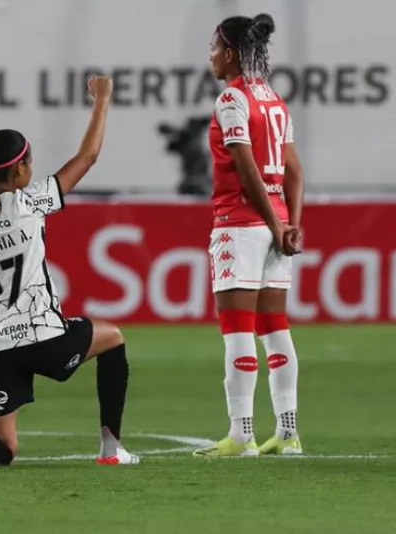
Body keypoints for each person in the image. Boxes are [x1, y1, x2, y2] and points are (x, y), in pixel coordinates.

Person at [0, 76, 138, 469]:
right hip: (42, 337)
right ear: (18, 172)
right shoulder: (31, 202)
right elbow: (87, 157)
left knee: (3, 452)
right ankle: (110, 448)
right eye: (29, 162)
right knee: (113, 339)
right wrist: (102, 100)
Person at [193, 14, 304, 456]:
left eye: (215, 48)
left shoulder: (232, 99)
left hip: (240, 226)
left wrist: (275, 225)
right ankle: (288, 431)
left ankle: (242, 434)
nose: (211, 56)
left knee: (237, 329)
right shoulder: (274, 100)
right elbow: (294, 170)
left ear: (232, 53)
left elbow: (245, 168)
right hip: (275, 224)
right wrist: (288, 223)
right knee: (275, 328)